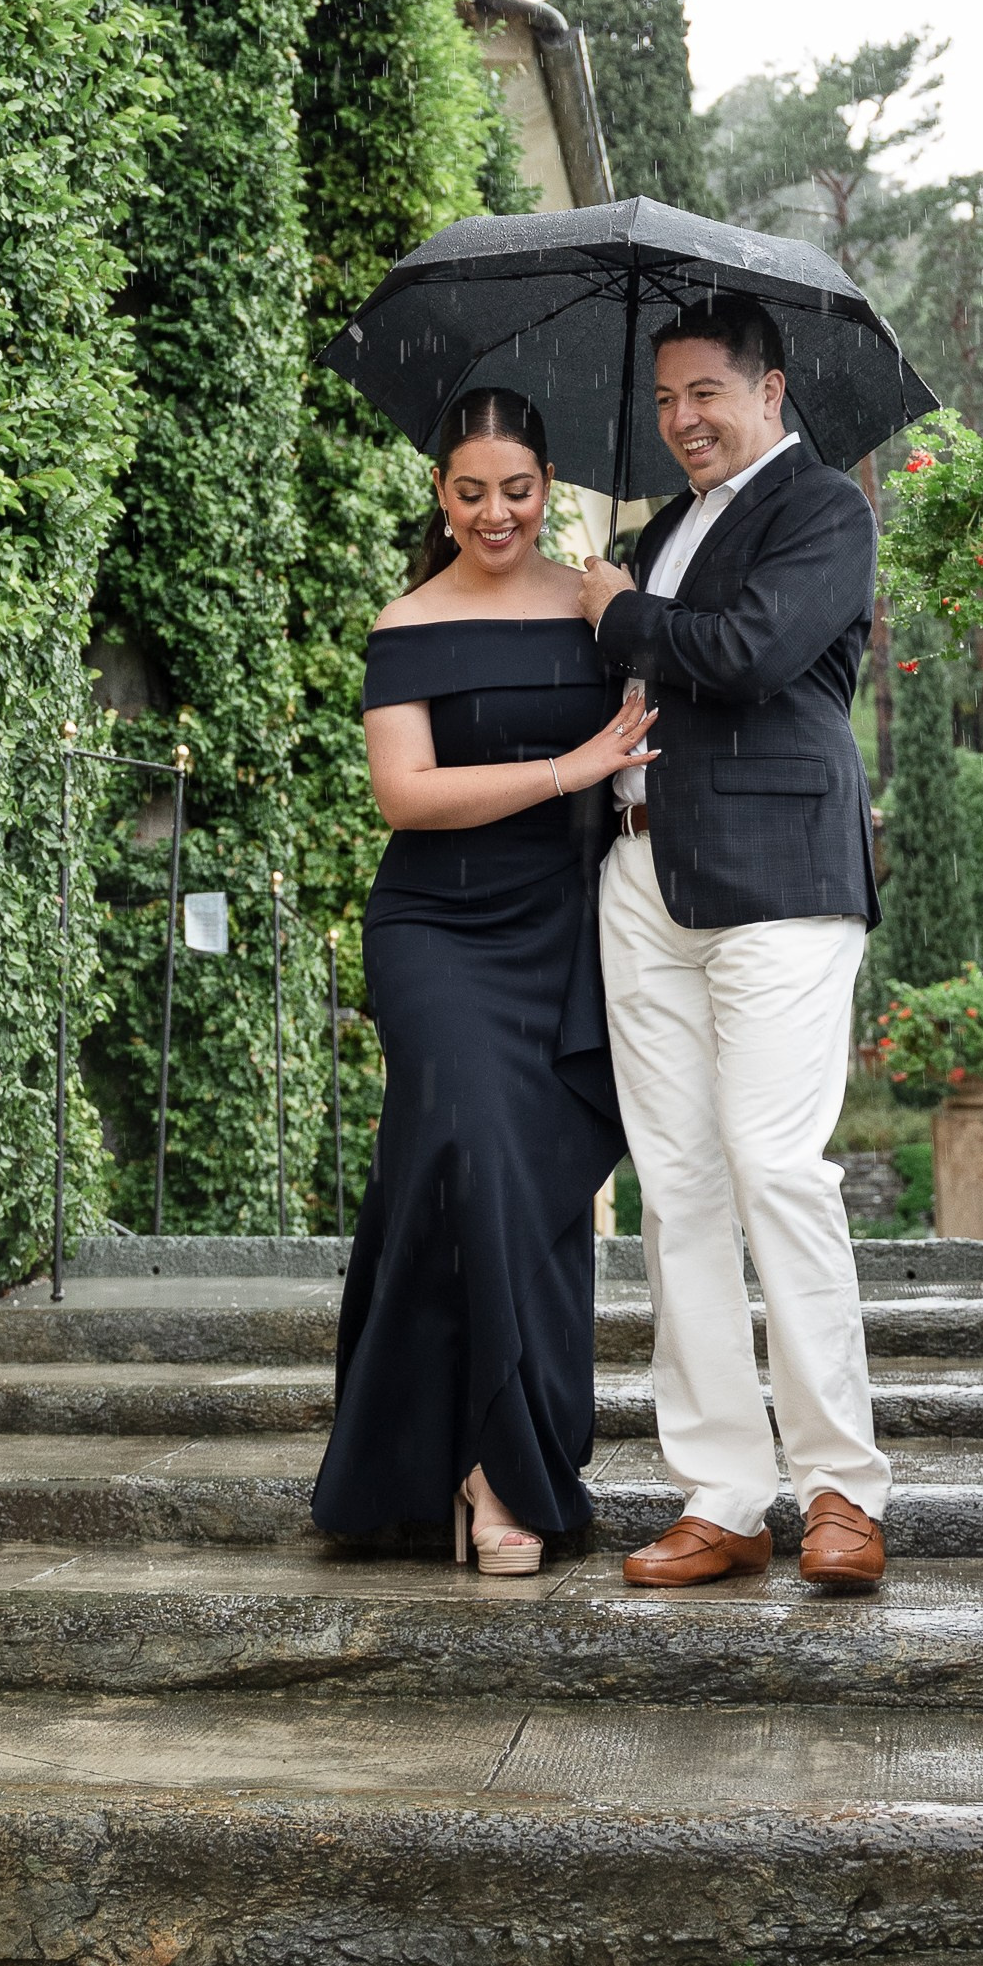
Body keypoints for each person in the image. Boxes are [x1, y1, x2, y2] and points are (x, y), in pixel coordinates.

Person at [576, 297, 891, 1595]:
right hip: (643, 867)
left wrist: (619, 615)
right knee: (681, 1185)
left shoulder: (824, 509)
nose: (683, 419)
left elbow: (753, 654)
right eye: (665, 401)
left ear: (769, 391)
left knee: (775, 1165)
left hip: (778, 874)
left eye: (705, 392)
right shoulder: (661, 531)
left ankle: (841, 1489)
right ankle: (722, 1493)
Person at [311, 388, 653, 1577]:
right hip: (437, 930)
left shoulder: (596, 604)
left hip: (567, 928)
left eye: (516, 490)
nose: (494, 512)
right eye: (470, 492)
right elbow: (403, 796)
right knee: (462, 1144)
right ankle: (475, 1463)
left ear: (546, 487)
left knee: (528, 1180)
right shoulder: (404, 621)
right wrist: (569, 767)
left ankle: (498, 1464)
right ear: (440, 495)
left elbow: (651, 748)